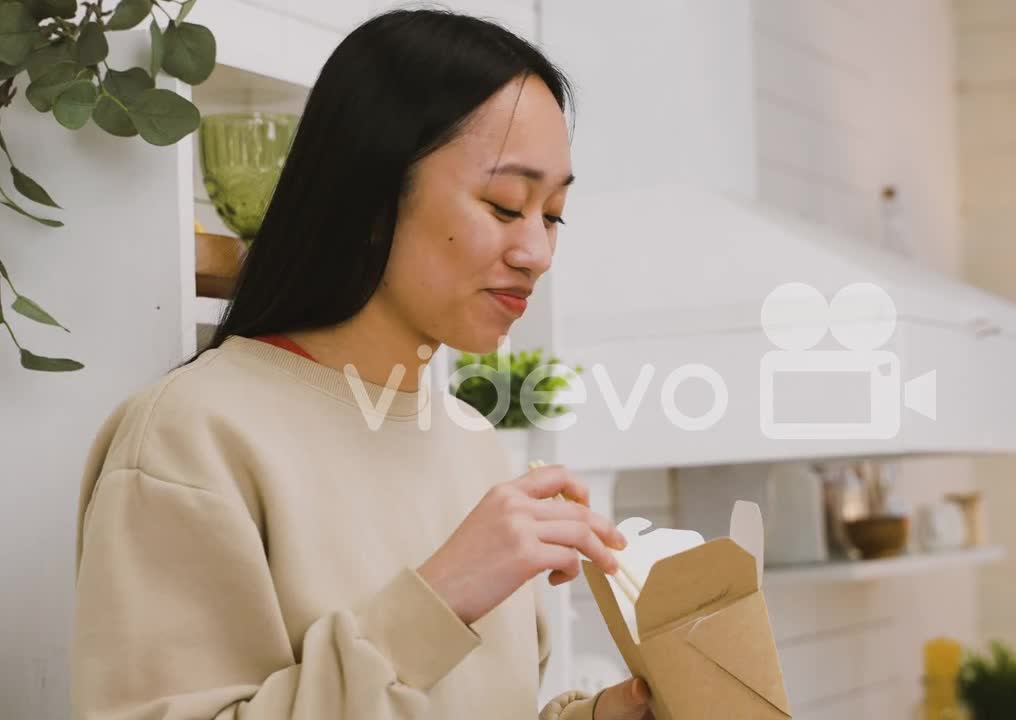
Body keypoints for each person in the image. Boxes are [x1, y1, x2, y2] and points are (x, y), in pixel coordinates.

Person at [72, 9, 654, 719]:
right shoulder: (189, 439)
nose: (537, 251)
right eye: (505, 206)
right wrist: (439, 599)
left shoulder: (474, 445)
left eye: (553, 214)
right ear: (374, 194)